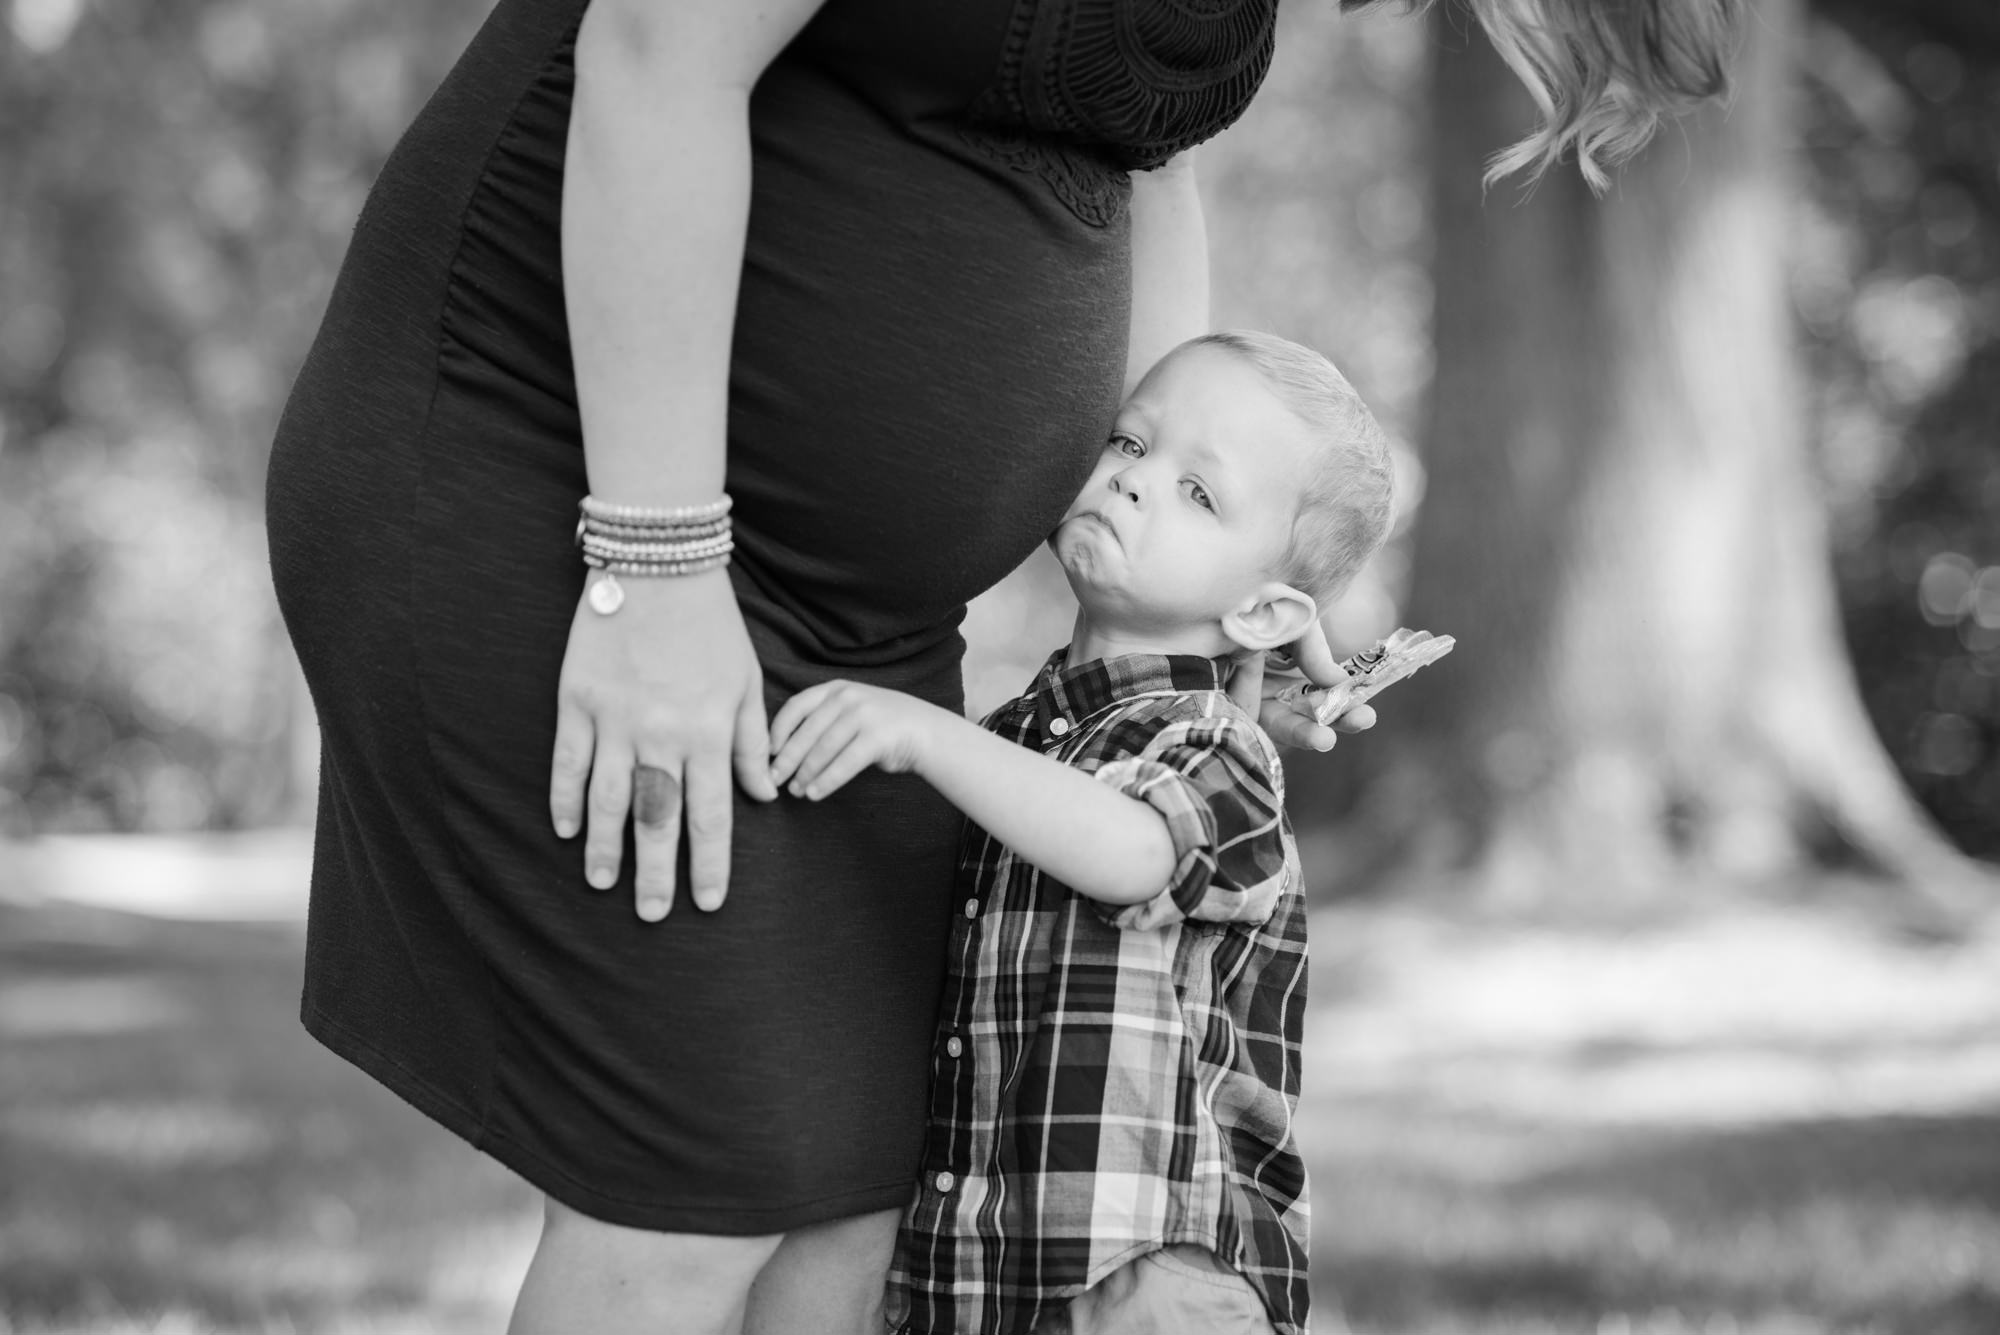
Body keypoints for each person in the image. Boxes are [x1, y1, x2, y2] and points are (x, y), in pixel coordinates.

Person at [262, 1, 1741, 1331]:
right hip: (573, 486)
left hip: (857, 634)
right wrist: (654, 560)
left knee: (853, 1185)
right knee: (692, 1177)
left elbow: (1150, 162)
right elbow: (659, 54)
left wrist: (1183, 602)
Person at [766, 331, 1392, 1335]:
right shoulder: (1025, 735)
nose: (1134, 483)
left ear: (1266, 610)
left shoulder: (1218, 745)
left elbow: (1132, 852)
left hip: (1150, 1274)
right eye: (1128, 444)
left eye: (1200, 494)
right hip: (989, 1256)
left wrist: (924, 736)